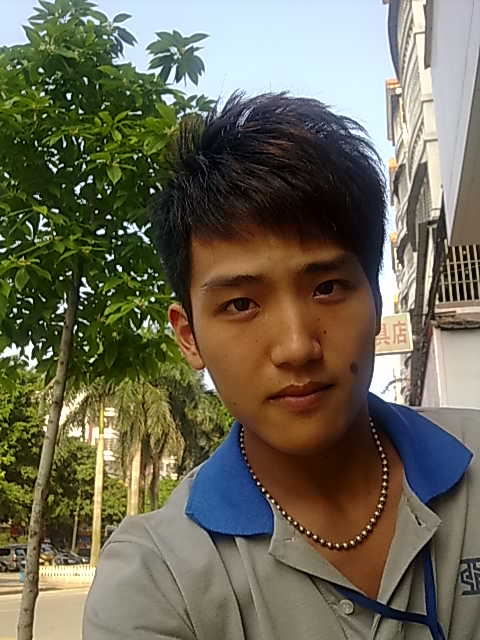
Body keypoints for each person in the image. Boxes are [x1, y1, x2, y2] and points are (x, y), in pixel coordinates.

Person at [83, 93, 480, 640]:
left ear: (375, 297)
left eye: (327, 287)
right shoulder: (158, 579)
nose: (296, 347)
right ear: (189, 336)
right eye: (241, 304)